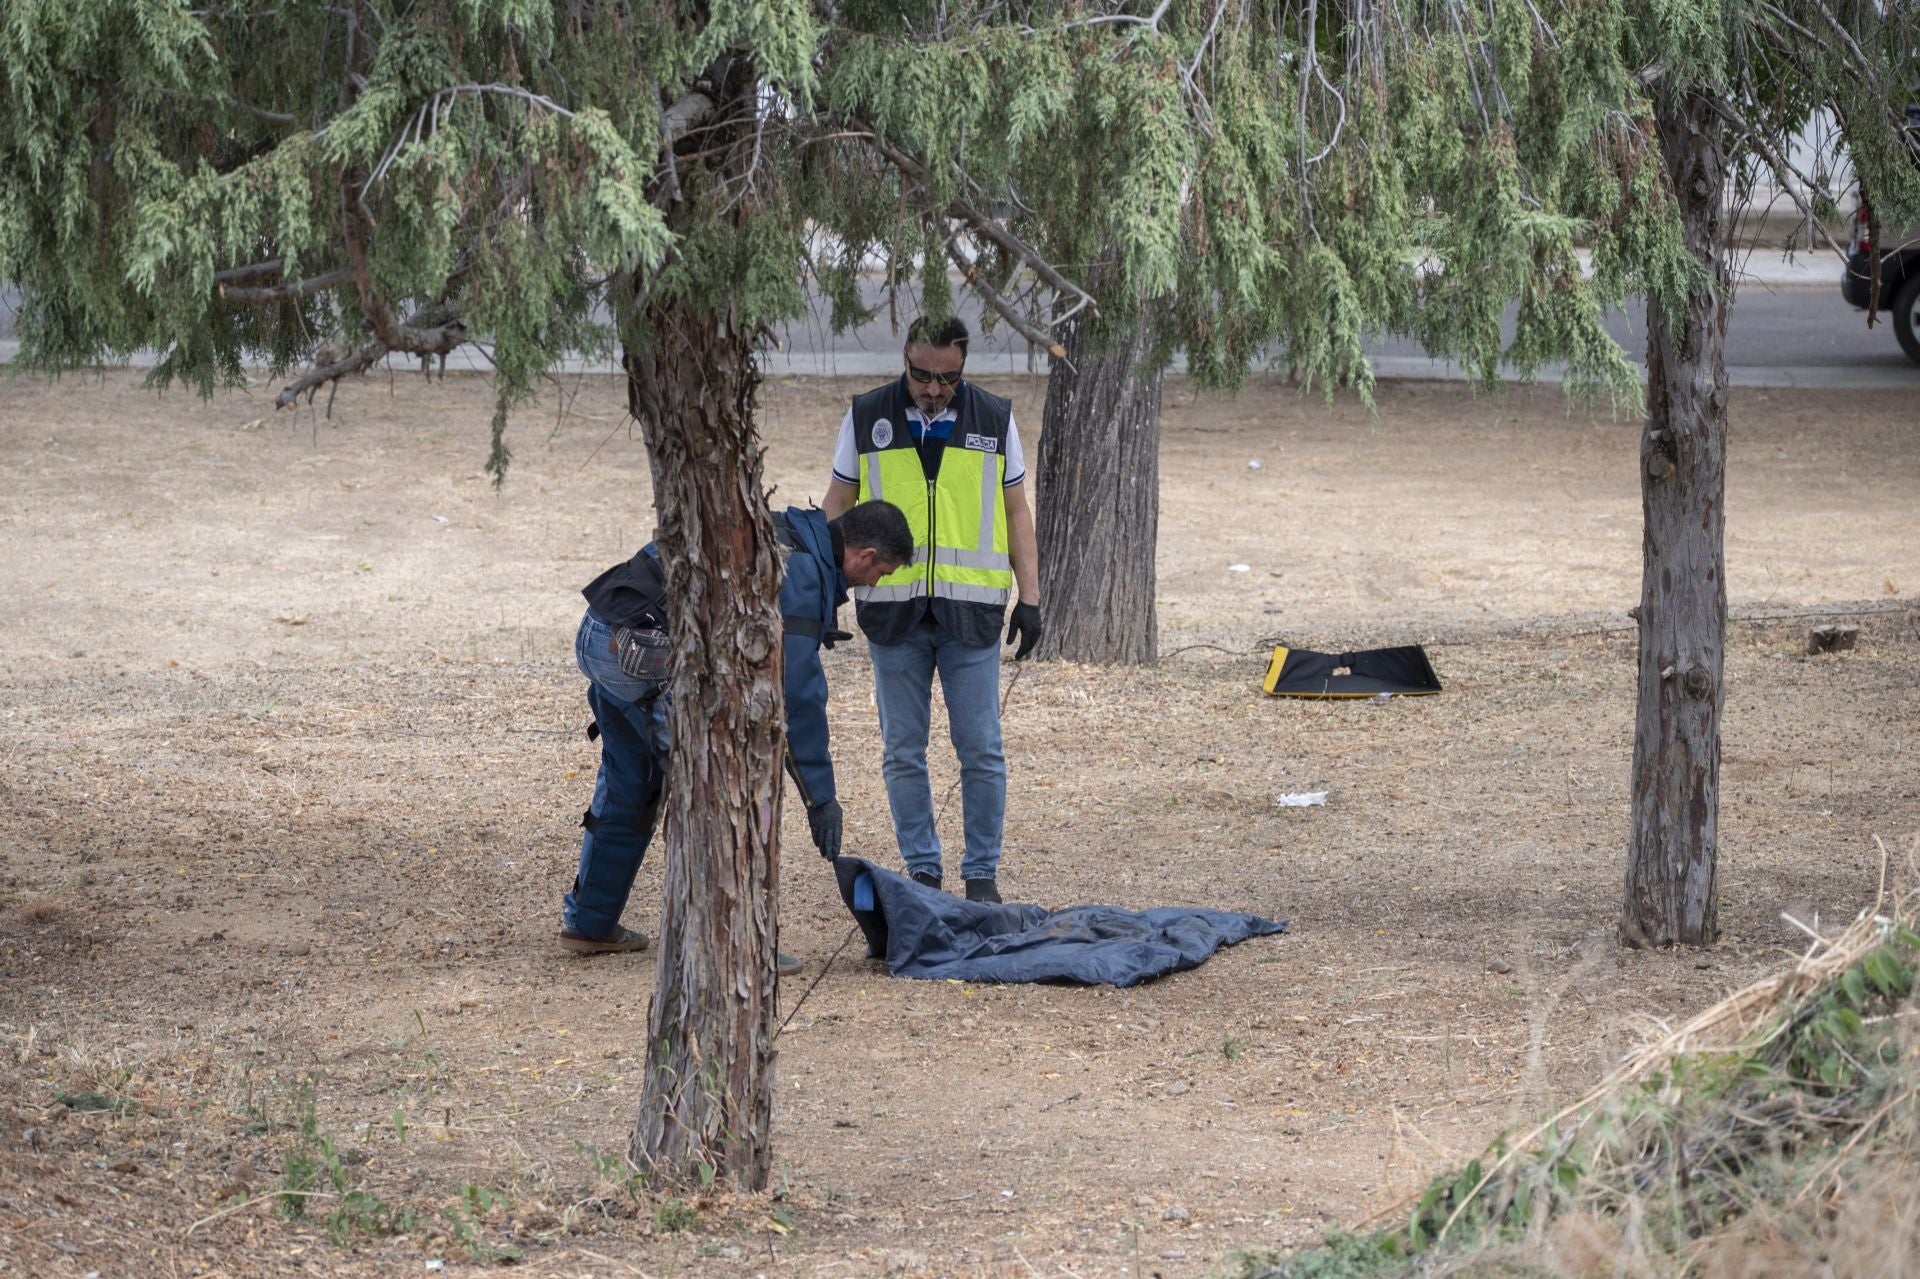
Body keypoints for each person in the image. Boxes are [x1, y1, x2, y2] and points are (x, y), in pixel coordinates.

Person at [558, 501, 913, 963]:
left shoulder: (784, 531)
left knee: (632, 785)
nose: (874, 583)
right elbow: (797, 699)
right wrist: (821, 800)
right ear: (863, 556)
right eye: (881, 573)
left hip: (603, 632)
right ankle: (733, 945)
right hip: (644, 651)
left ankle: (590, 923)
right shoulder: (801, 575)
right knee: (721, 790)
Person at [823, 317, 1042, 904]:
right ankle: (923, 872)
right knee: (902, 750)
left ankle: (981, 878)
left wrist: (1031, 599)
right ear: (905, 359)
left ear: (963, 367)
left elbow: (1017, 511)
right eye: (921, 374)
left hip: (970, 614)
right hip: (893, 615)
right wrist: (821, 587)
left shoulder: (994, 418)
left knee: (981, 749)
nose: (932, 388)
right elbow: (838, 502)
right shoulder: (868, 415)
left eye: (947, 378)